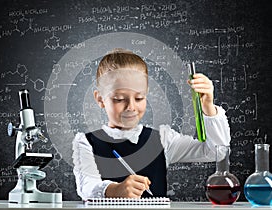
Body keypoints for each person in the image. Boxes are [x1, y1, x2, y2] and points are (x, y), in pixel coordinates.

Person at [72, 48, 230, 200]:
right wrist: (115, 189)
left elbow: (216, 152)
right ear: (100, 99)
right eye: (119, 99)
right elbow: (87, 187)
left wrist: (208, 106)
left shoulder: (163, 139)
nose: (131, 107)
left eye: (139, 98)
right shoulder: (86, 142)